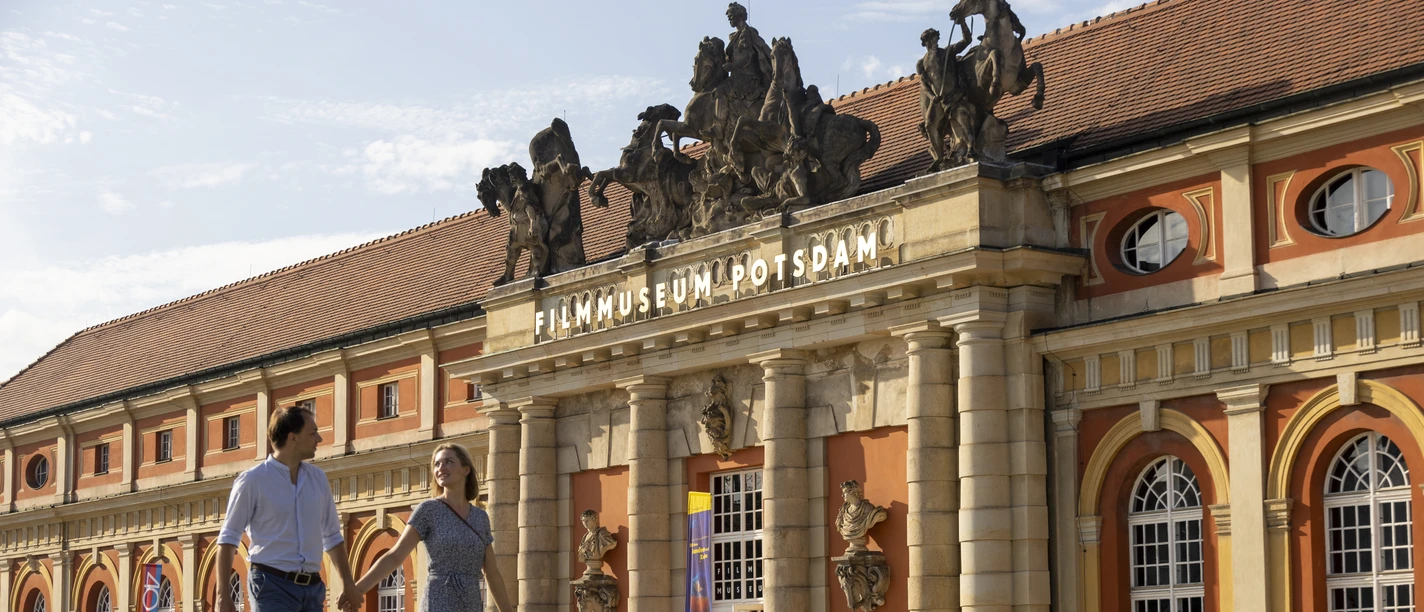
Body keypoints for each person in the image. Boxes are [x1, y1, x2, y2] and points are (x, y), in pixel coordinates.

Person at [215, 406, 359, 612]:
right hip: (271, 586)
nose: (319, 439)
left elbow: (333, 536)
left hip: (312, 589)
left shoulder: (318, 479)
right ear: (293, 438)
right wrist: (223, 596)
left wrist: (348, 583)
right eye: (312, 433)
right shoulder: (252, 481)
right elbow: (228, 539)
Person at [352, 443, 513, 612]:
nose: (441, 468)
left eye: (448, 462)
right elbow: (395, 556)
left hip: (470, 604)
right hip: (437, 603)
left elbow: (492, 573)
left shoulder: (480, 518)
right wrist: (357, 589)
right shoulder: (428, 510)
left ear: (466, 469)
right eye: (437, 464)